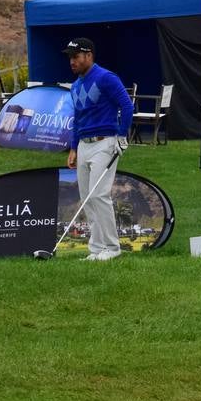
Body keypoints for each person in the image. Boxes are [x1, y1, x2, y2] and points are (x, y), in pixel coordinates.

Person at [63, 37, 134, 262]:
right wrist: (73, 148)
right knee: (86, 197)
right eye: (70, 58)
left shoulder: (106, 78)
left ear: (89, 55)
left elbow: (127, 105)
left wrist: (121, 136)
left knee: (99, 194)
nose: (72, 62)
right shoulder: (75, 86)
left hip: (105, 142)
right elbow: (78, 119)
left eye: (76, 57)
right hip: (84, 144)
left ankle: (112, 248)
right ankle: (96, 249)